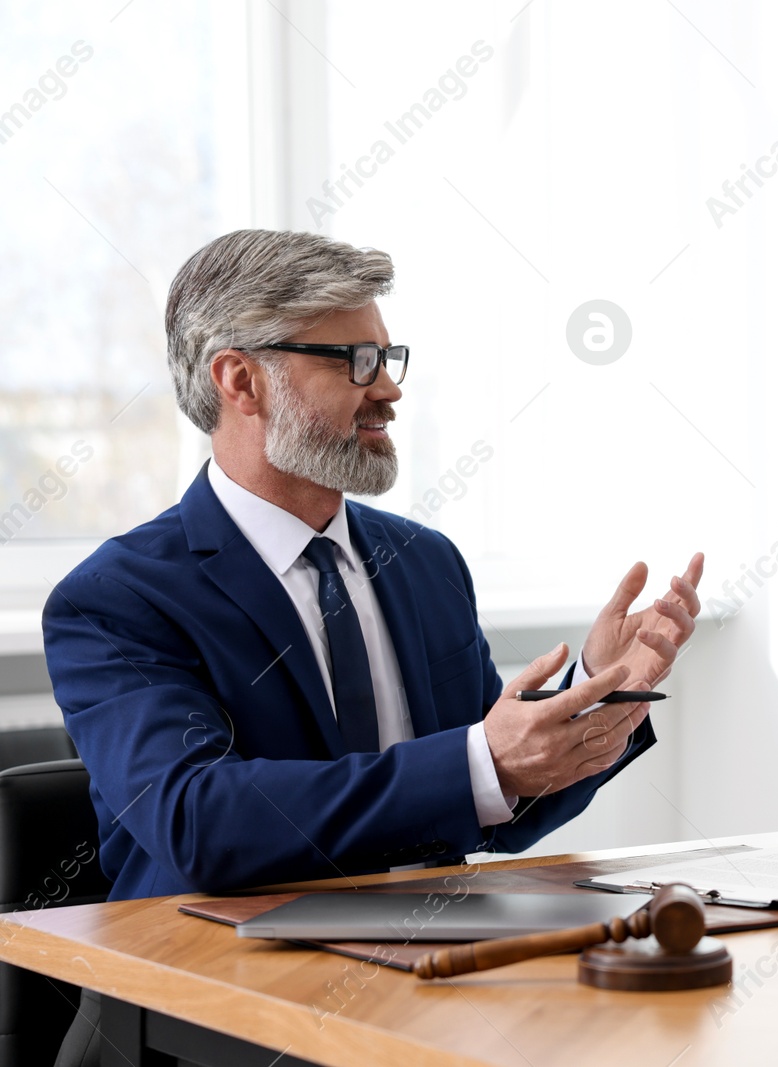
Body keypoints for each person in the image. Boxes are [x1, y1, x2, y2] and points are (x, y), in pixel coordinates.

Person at [43, 229, 702, 901]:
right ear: (241, 380)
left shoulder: (425, 561)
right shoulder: (117, 598)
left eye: (387, 357)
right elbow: (200, 823)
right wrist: (481, 761)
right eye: (355, 360)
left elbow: (494, 802)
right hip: (212, 976)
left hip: (430, 959)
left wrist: (597, 688)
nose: (388, 389)